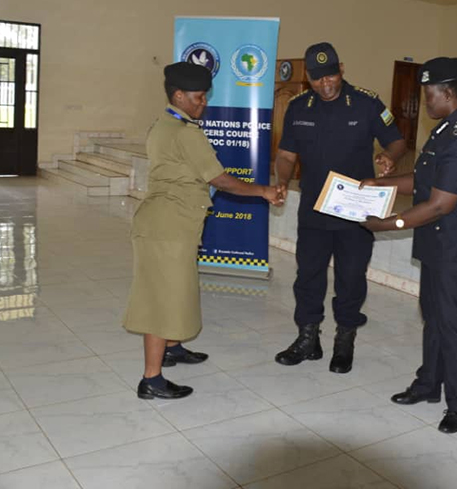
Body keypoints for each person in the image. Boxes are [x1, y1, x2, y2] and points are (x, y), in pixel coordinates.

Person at [123, 62, 284, 400]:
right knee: (160, 301)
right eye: (198, 98)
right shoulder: (185, 132)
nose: (203, 104)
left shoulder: (165, 123)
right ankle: (151, 379)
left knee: (175, 289)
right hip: (167, 227)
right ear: (178, 95)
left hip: (171, 223)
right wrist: (264, 191)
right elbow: (220, 180)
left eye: (204, 97)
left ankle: (173, 346)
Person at [360, 57, 457, 434]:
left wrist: (385, 224)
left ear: (448, 93)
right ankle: (427, 385)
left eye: (429, 94)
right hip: (438, 244)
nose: (425, 101)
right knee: (432, 316)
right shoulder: (442, 131)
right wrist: (377, 184)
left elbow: (438, 205)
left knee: (453, 325)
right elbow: (420, 182)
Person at [273, 42, 406, 373]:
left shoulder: (365, 103)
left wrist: (389, 156)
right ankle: (308, 338)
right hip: (314, 209)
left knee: (350, 277)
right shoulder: (298, 107)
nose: (325, 84)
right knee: (308, 276)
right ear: (308, 78)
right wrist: (281, 182)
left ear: (341, 69)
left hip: (355, 212)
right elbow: (287, 155)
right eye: (317, 79)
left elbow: (397, 140)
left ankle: (344, 341)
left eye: (330, 75)